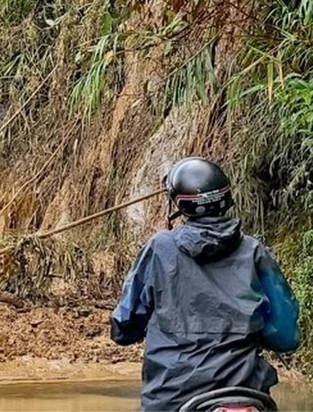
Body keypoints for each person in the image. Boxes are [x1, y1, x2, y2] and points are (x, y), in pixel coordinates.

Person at [111, 157, 300, 412]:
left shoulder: (159, 248)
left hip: (171, 399)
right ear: (226, 198)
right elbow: (287, 336)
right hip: (247, 395)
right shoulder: (254, 252)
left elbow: (123, 329)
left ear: (178, 205)